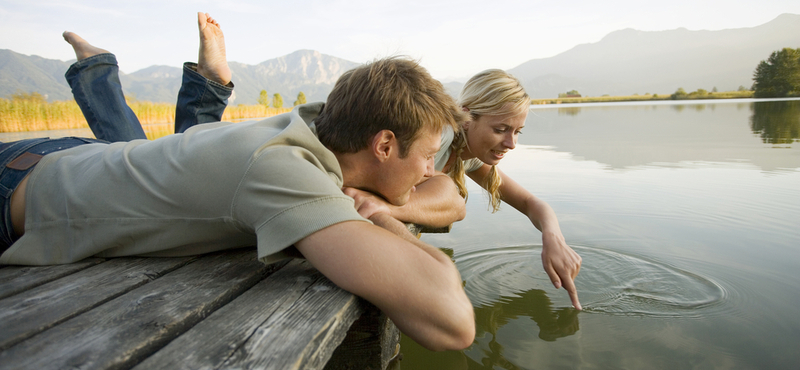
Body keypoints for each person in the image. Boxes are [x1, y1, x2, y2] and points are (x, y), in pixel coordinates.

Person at [0, 13, 475, 351]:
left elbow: (448, 195)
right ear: (385, 146)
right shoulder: (284, 171)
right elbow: (452, 324)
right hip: (12, 190)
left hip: (64, 154)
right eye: (429, 156)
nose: (429, 171)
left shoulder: (315, 124)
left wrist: (385, 206)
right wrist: (385, 219)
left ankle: (130, 74)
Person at [346, 69, 584, 310]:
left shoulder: (468, 156)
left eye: (517, 131)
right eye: (500, 129)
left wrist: (553, 239)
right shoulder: (441, 136)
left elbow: (530, 203)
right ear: (467, 118)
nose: (511, 144)